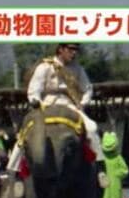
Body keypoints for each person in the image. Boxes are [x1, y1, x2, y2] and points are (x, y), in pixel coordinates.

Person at [12, 43, 107, 187]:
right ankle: (17, 172)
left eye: (76, 50)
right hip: (46, 104)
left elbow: (87, 89)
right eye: (70, 49)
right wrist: (35, 102)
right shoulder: (45, 67)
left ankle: (100, 168)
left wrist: (83, 102)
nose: (74, 53)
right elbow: (34, 89)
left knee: (92, 128)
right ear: (60, 49)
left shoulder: (78, 69)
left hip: (69, 104)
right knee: (24, 132)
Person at [97, 132, 129, 198]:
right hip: (104, 184)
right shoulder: (101, 157)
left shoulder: (117, 157)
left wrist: (117, 174)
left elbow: (125, 170)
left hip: (115, 185)